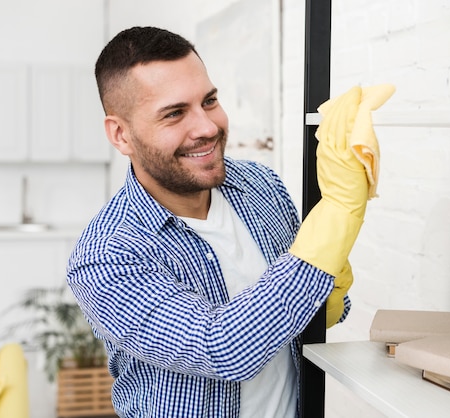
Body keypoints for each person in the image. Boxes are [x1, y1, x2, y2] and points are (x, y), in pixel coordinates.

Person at [66, 26, 392, 417]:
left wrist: (330, 299)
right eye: (174, 114)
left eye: (210, 100)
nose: (206, 127)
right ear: (121, 134)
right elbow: (222, 349)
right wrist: (338, 211)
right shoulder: (106, 257)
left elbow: (306, 317)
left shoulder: (260, 186)